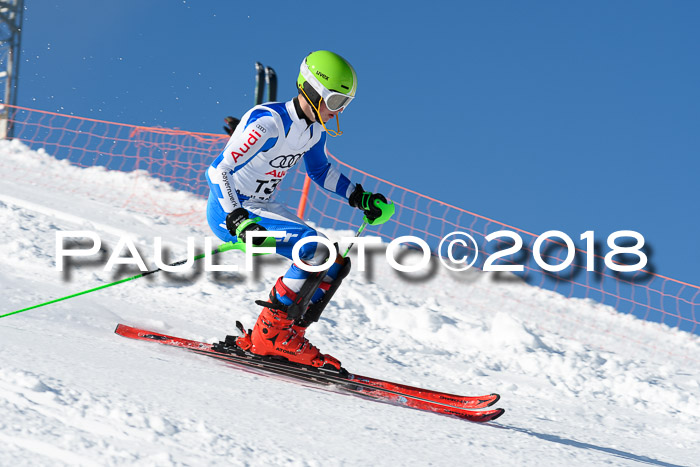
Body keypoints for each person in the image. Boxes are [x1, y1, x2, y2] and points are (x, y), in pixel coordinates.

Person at [205, 50, 394, 371]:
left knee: (334, 262)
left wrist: (359, 197)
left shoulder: (313, 130)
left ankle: (288, 333)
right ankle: (270, 337)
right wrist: (237, 217)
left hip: (262, 207)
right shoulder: (268, 122)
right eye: (335, 102)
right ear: (313, 89)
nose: (337, 112)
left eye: (344, 105)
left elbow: (320, 171)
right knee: (314, 250)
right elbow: (217, 171)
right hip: (233, 212)